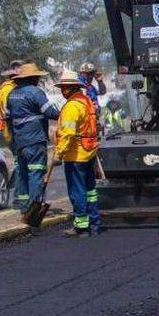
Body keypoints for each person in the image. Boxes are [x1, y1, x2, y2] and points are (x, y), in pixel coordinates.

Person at [6, 63, 60, 219]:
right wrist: (64, 113)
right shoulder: (36, 93)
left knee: (22, 173)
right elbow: (49, 112)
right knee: (36, 173)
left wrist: (14, 139)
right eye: (37, 77)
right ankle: (34, 209)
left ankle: (24, 207)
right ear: (33, 78)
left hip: (19, 142)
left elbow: (8, 119)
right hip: (35, 141)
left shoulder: (12, 95)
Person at [55, 69, 103, 237]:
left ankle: (81, 226)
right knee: (90, 190)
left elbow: (67, 132)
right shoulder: (86, 101)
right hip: (88, 152)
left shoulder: (72, 106)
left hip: (75, 154)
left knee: (77, 191)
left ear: (71, 88)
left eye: (64, 87)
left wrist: (58, 153)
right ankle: (95, 223)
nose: (62, 91)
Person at [0, 60, 23, 202]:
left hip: (13, 132)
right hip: (14, 133)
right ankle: (19, 196)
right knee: (20, 163)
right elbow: (10, 113)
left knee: (20, 162)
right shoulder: (8, 90)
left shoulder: (8, 88)